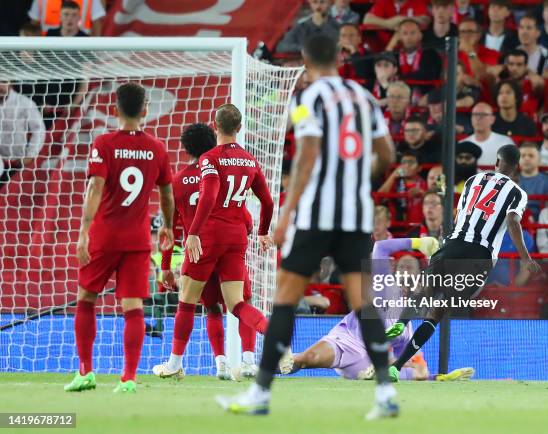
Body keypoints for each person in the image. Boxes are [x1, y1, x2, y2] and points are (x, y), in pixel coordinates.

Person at [216, 34, 398, 419]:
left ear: (304, 59)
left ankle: (261, 393)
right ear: (339, 55)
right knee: (363, 304)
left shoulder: (307, 98)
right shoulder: (363, 97)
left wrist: (285, 215)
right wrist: (356, 178)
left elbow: (309, 154)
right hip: (356, 215)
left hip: (317, 214)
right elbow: (387, 153)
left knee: (284, 296)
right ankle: (384, 393)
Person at [385, 145, 540, 381]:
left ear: (496, 162)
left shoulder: (473, 180)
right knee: (437, 312)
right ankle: (397, 365)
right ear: (516, 165)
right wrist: (525, 258)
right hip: (479, 255)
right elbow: (512, 222)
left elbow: (460, 213)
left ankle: (401, 321)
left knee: (424, 292)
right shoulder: (517, 192)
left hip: (453, 244)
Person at [64, 82, 175, 394]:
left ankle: (86, 372)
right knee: (133, 307)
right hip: (138, 240)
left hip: (104, 236)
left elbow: (95, 188)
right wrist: (167, 225)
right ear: (145, 111)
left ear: (114, 110)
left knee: (86, 299)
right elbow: (167, 194)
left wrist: (83, 231)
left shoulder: (104, 142)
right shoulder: (157, 147)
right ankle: (128, 378)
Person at [164, 105, 274, 386]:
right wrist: (255, 230)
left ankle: (189, 363)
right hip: (234, 239)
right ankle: (255, 354)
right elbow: (258, 208)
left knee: (195, 305)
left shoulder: (186, 176)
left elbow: (181, 220)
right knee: (238, 303)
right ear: (239, 127)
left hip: (203, 243)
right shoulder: (248, 161)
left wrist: (171, 258)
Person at [285, 249, 473, 382]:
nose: (405, 275)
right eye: (402, 269)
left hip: (365, 361)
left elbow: (417, 368)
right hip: (345, 341)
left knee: (409, 371)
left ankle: (372, 372)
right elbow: (380, 250)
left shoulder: (406, 330)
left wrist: (437, 377)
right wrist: (417, 241)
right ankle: (263, 368)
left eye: (410, 270)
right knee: (305, 359)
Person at [0, 80, 45, 186]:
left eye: (3, 82)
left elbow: (39, 129)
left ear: (10, 83)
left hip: (20, 163)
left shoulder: (24, 103)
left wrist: (31, 154)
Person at [385, 18, 442, 95]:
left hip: (425, 99)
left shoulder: (431, 54)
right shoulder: (395, 55)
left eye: (413, 33)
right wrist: (391, 45)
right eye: (405, 33)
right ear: (399, 36)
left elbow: (426, 75)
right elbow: (385, 71)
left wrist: (400, 77)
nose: (409, 37)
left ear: (420, 35)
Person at [378, 150, 427, 223]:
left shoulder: (425, 184)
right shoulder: (394, 182)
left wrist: (423, 194)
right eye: (404, 162)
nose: (407, 165)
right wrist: (393, 175)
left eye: (411, 162)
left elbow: (439, 199)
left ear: (419, 168)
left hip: (418, 228)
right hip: (396, 227)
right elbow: (379, 198)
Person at [492, 49, 543, 114]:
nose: (514, 68)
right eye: (511, 64)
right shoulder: (500, 85)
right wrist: (502, 68)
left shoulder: (532, 84)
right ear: (506, 65)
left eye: (519, 64)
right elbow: (489, 73)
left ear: (526, 66)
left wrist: (529, 72)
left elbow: (539, 82)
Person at [519, 142, 548, 220]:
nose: (526, 158)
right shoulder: (509, 181)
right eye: (523, 156)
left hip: (540, 223)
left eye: (531, 156)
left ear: (539, 159)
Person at [29, 0, 106, 36]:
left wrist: (93, 47)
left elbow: (97, 25)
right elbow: (33, 26)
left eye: (74, 15)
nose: (69, 18)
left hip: (81, 42)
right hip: (49, 43)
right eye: (66, 14)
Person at [363, 0, 430, 31]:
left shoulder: (417, 1)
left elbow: (426, 20)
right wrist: (388, 23)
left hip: (412, 47)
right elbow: (367, 19)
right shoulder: (384, 2)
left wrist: (403, 20)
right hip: (384, 48)